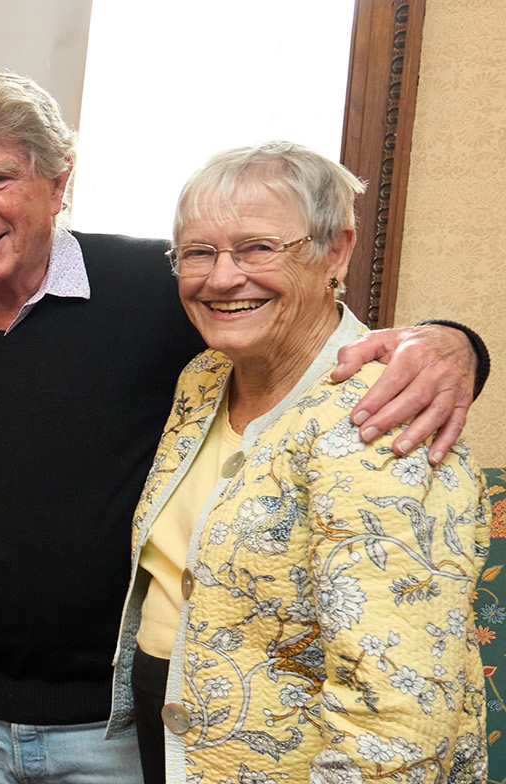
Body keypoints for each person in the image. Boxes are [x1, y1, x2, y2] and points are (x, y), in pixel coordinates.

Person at [0, 71, 488, 784]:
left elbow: (311, 340)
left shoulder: (172, 291)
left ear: (58, 184)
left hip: (125, 732)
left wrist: (456, 343)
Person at [111, 141, 485, 782]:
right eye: (198, 252)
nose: (221, 278)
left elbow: (397, 712)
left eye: (257, 248)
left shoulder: (384, 416)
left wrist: (457, 343)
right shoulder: (204, 377)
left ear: (336, 251)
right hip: (174, 735)